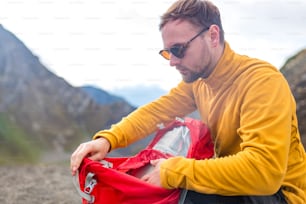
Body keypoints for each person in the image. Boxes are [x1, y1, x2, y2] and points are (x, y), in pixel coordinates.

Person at [70, 0, 306, 203]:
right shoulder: (201, 81)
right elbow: (157, 112)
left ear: (213, 35)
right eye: (167, 53)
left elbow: (263, 172)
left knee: (180, 190)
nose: (172, 61)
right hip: (250, 189)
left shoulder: (261, 83)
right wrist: (107, 140)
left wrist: (174, 171)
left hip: (280, 196)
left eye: (179, 49)